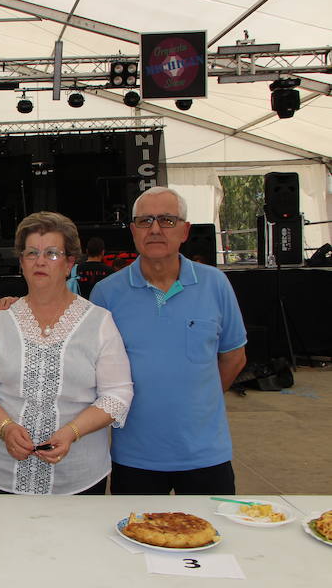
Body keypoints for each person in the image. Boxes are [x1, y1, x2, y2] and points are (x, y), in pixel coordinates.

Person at [0, 212, 134, 495]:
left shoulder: (99, 322)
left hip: (79, 475)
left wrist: (71, 432)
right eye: (32, 253)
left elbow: (117, 394)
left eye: (52, 253)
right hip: (2, 472)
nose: (40, 261)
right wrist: (5, 428)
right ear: (21, 263)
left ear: (69, 264)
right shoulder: (0, 321)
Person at [90, 186, 247, 495]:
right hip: (135, 457)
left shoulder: (216, 284)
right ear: (133, 231)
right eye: (146, 221)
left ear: (185, 230)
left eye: (167, 220)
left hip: (205, 455)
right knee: (135, 540)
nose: (156, 229)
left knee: (215, 537)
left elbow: (234, 357)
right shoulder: (106, 294)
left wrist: (198, 403)